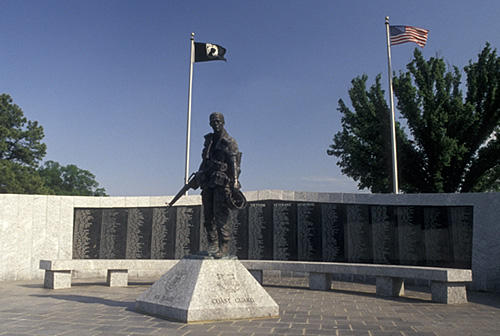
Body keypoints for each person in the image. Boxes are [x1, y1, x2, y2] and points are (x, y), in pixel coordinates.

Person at [196, 112, 242, 258]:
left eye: (218, 121)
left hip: (222, 182)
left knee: (220, 214)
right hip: (208, 181)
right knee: (208, 215)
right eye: (213, 122)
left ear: (223, 122)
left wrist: (234, 182)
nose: (215, 124)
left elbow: (234, 163)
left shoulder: (229, 141)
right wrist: (199, 173)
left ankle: (224, 246)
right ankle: (213, 243)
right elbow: (205, 160)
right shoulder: (209, 140)